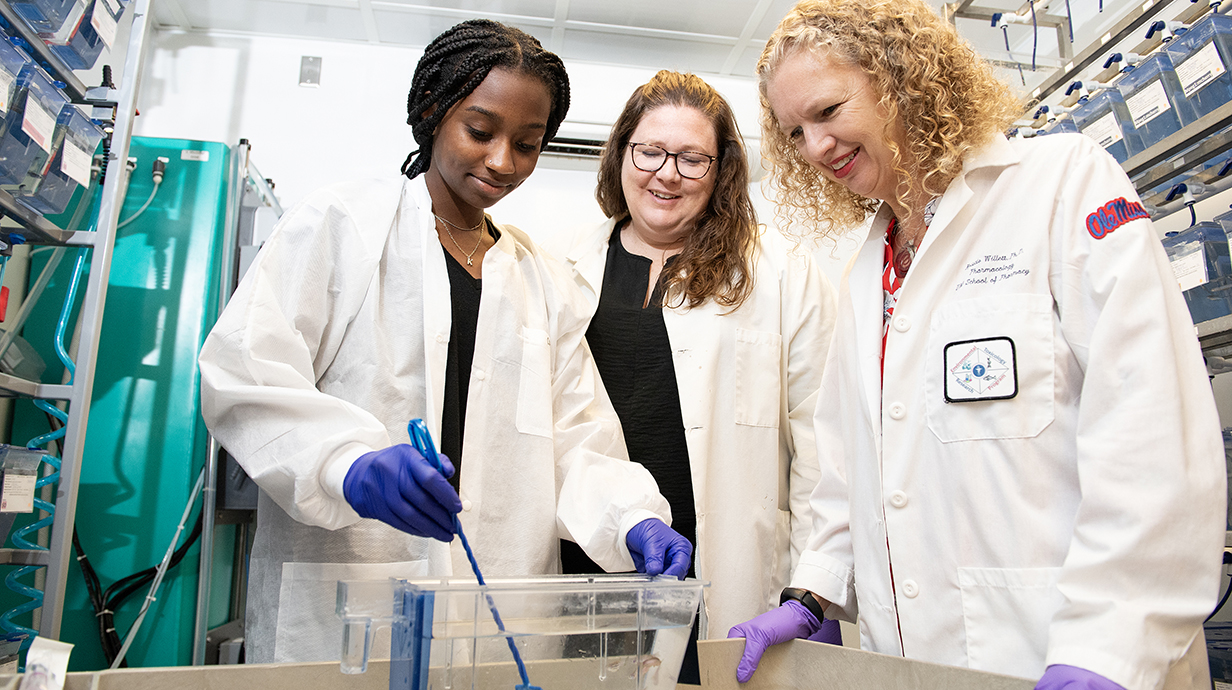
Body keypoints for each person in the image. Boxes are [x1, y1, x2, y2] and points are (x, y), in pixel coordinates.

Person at [726, 1, 1226, 689]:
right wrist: (811, 595)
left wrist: (1111, 647)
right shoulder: (868, 268)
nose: (815, 147)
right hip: (918, 660)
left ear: (897, 77)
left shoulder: (1059, 183)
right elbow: (853, 475)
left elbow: (1152, 426)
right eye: (795, 132)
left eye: (829, 111)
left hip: (1067, 650)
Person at [198, 19, 691, 665]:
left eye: (527, 143)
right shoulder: (343, 224)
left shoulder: (538, 279)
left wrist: (630, 517)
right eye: (480, 131)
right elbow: (246, 374)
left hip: (498, 614)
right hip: (347, 601)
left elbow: (575, 437)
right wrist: (349, 467)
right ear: (432, 112)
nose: (502, 161)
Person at [547, 70, 839, 684]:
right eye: (650, 151)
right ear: (621, 152)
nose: (666, 172)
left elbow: (821, 439)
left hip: (723, 569)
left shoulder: (781, 269)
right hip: (590, 560)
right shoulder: (561, 265)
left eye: (691, 158)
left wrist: (813, 587)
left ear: (723, 170)